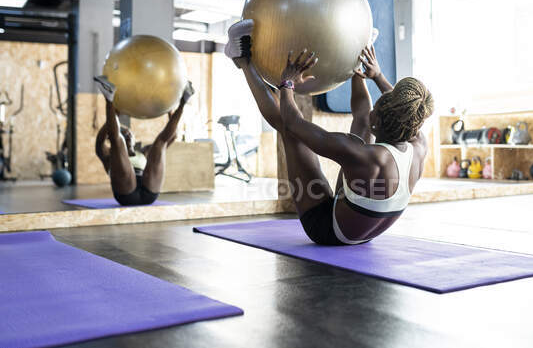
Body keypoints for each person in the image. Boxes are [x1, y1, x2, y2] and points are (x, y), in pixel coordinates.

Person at [225, 20, 433, 245]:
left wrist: (287, 84)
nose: (372, 110)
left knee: (290, 134)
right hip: (366, 230)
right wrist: (377, 76)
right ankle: (357, 61)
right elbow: (406, 109)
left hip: (326, 229)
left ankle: (242, 59)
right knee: (361, 121)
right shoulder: (418, 145)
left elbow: (293, 122)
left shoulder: (365, 156)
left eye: (377, 109)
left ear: (380, 121)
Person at [93, 76, 194, 206]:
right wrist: (113, 113)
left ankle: (184, 100)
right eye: (125, 134)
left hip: (149, 190)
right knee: (118, 142)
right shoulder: (108, 154)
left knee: (160, 144)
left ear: (135, 138)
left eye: (130, 133)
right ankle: (109, 97)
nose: (128, 135)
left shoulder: (144, 152)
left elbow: (172, 136)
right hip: (126, 194)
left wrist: (170, 110)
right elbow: (102, 140)